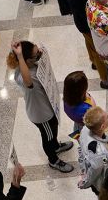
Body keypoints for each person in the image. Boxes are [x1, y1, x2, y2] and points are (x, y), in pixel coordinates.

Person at [7, 40, 75, 173]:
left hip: (48, 107)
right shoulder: (22, 76)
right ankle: (53, 160)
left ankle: (56, 146)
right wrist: (20, 56)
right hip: (41, 115)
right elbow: (29, 82)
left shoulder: (32, 66)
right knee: (48, 137)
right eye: (36, 55)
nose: (40, 54)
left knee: (53, 129)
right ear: (25, 60)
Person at [63, 71, 94, 139]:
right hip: (87, 129)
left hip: (77, 126)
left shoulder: (66, 100)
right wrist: (89, 97)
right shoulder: (86, 108)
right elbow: (95, 114)